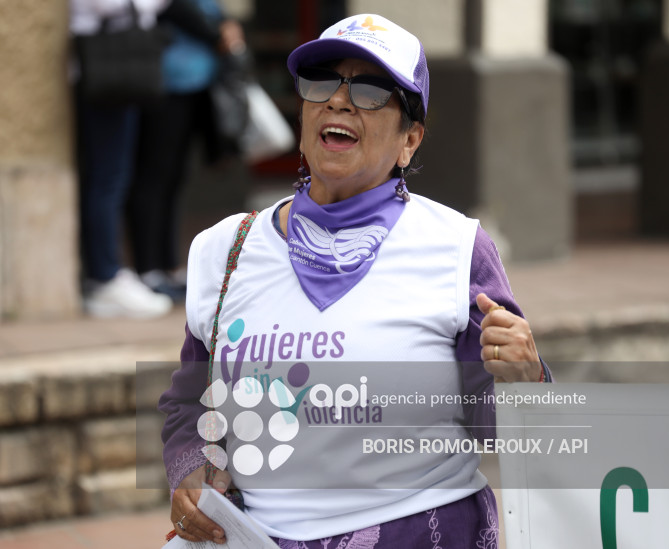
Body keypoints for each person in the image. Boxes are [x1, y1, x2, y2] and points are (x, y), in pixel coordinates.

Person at [159, 13, 551, 547]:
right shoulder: (225, 249)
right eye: (322, 83)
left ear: (409, 140)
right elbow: (189, 399)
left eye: (370, 90)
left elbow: (505, 432)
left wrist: (526, 381)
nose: (339, 101)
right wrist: (188, 469)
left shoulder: (455, 249)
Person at [126, 0, 246, 303]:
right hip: (165, 84)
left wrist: (227, 24)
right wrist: (217, 34)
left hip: (198, 83)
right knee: (153, 176)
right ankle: (147, 269)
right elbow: (173, 8)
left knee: (175, 177)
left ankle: (168, 266)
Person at [71, 0, 173, 318]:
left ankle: (105, 273)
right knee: (108, 177)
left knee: (111, 175)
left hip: (111, 63)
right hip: (106, 65)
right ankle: (104, 277)